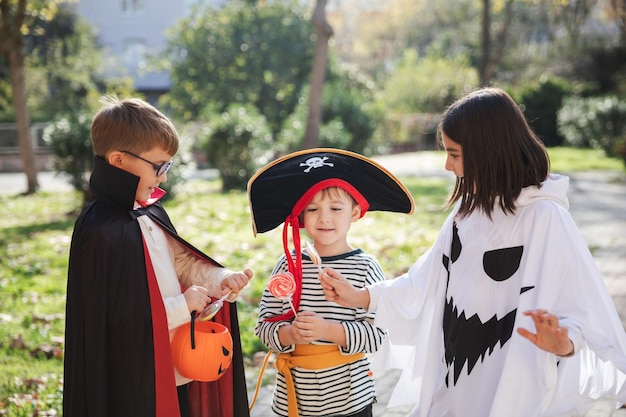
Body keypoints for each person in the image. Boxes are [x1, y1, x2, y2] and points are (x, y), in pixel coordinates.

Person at [319, 87, 626, 417]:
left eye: (454, 154)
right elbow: (425, 280)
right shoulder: (465, 214)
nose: (448, 166)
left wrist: (563, 344)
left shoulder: (545, 219)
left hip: (514, 381)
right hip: (455, 380)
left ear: (487, 152)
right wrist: (361, 296)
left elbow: (580, 307)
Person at [62, 96, 253, 417]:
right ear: (118, 161)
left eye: (168, 166)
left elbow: (182, 263)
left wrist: (221, 279)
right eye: (158, 166)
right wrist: (182, 306)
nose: (163, 176)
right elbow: (114, 322)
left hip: (175, 363)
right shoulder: (99, 230)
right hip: (132, 380)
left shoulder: (150, 213)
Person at [248, 148, 415, 417]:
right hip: (295, 401)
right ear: (300, 217)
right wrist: (290, 334)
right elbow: (264, 326)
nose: (324, 217)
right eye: (312, 209)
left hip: (350, 400)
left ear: (356, 212)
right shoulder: (288, 266)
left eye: (336, 208)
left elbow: (376, 336)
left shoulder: (365, 268)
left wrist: (328, 330)